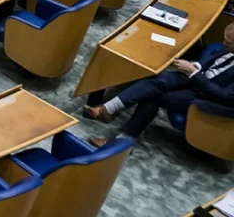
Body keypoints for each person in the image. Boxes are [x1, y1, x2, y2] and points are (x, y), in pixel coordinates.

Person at [83, 23, 234, 146]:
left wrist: (194, 74)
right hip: (199, 79)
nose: (223, 44)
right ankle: (107, 110)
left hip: (208, 98)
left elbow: (225, 97)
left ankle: (122, 141)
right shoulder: (229, 49)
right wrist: (196, 66)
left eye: (228, 42)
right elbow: (215, 59)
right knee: (158, 78)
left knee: (153, 96)